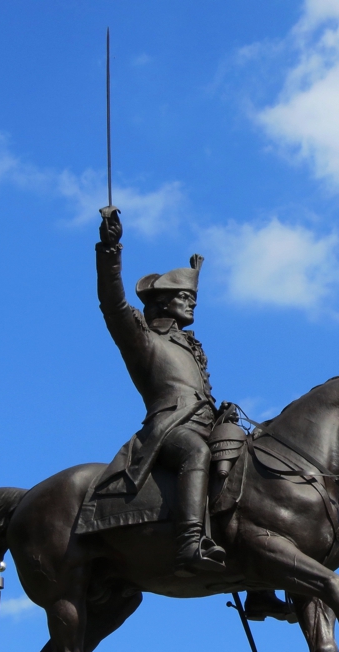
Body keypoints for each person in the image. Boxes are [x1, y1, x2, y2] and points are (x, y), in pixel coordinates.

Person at [91, 208, 226, 577]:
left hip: (207, 422)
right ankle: (188, 543)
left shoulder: (190, 346)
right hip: (169, 429)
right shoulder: (143, 339)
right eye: (185, 295)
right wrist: (110, 248)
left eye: (192, 296)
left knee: (252, 460)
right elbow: (113, 303)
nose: (192, 301)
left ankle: (259, 587)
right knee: (195, 452)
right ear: (163, 302)